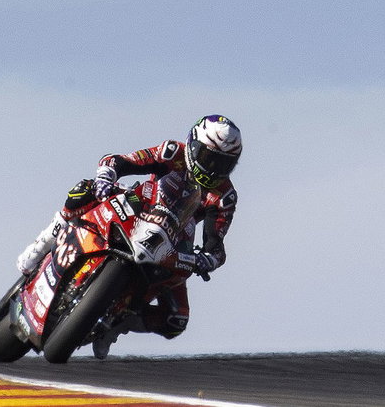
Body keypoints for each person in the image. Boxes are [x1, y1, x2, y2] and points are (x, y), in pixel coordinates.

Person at [14, 114, 242, 340]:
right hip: (139, 204)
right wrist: (106, 176)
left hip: (172, 241)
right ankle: (43, 244)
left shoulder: (225, 197)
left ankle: (116, 325)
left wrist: (207, 259)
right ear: (193, 145)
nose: (214, 168)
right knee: (84, 190)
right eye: (209, 157)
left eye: (224, 163)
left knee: (176, 320)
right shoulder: (172, 152)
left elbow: (216, 244)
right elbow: (120, 160)